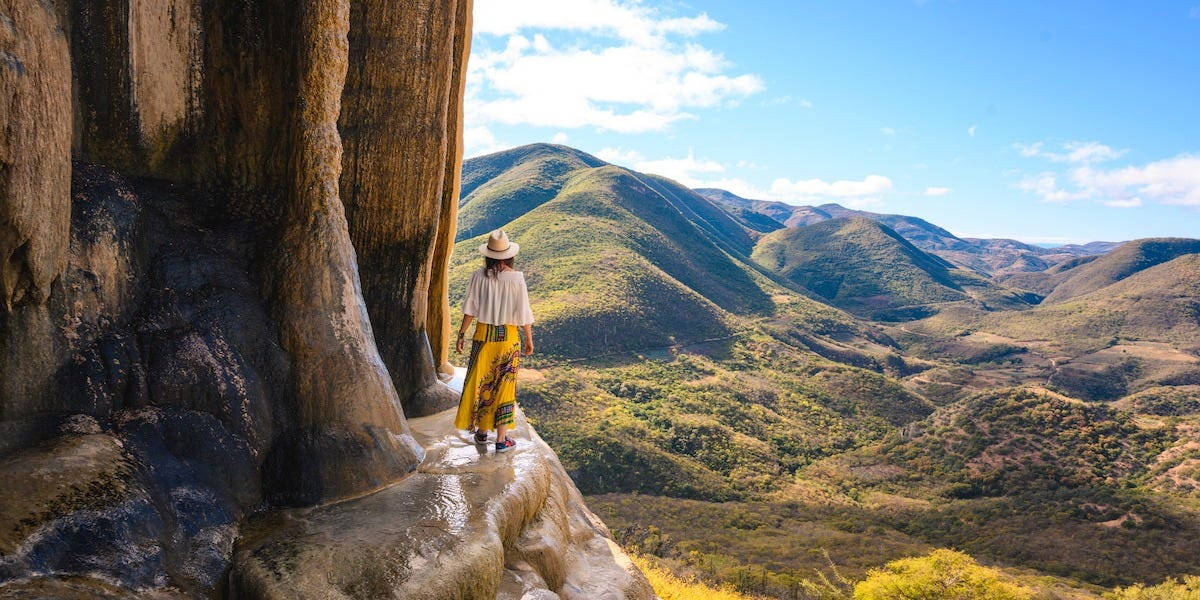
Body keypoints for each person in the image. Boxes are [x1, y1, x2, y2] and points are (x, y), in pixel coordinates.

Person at [453, 230, 535, 453]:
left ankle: (481, 433)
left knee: (481, 383)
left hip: (482, 336)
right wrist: (528, 339)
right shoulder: (517, 278)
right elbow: (524, 312)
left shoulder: (479, 276)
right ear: (509, 255)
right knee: (504, 386)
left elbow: (470, 308)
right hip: (508, 338)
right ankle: (501, 439)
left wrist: (461, 334)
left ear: (488, 255)